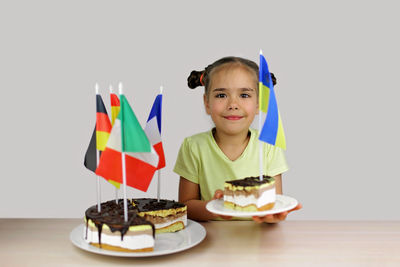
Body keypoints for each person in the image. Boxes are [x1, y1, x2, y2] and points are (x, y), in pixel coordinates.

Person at [173, 56, 301, 223]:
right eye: (221, 95)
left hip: (259, 241)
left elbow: (274, 205)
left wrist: (274, 216)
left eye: (244, 95)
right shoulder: (193, 147)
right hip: (212, 241)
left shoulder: (268, 146)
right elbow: (185, 206)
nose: (233, 104)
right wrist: (218, 207)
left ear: (258, 104)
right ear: (206, 103)